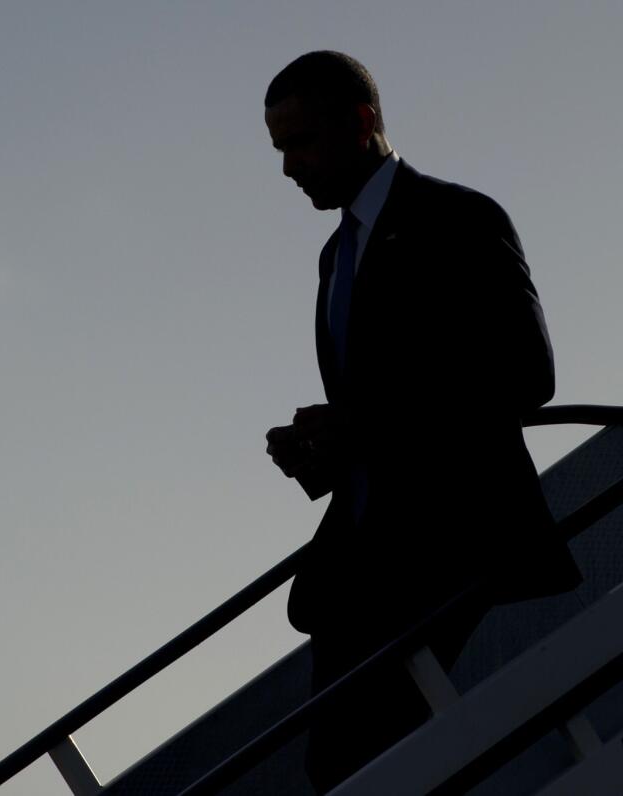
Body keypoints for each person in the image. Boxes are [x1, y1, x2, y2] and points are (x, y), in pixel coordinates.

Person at [261, 51, 581, 792]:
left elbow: (528, 375)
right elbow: (379, 420)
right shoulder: (332, 258)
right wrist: (322, 453)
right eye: (280, 149)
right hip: (366, 557)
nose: (289, 168)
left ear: (363, 122)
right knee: (339, 768)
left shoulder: (459, 218)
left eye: (300, 142)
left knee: (366, 762)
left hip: (448, 540)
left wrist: (362, 423)